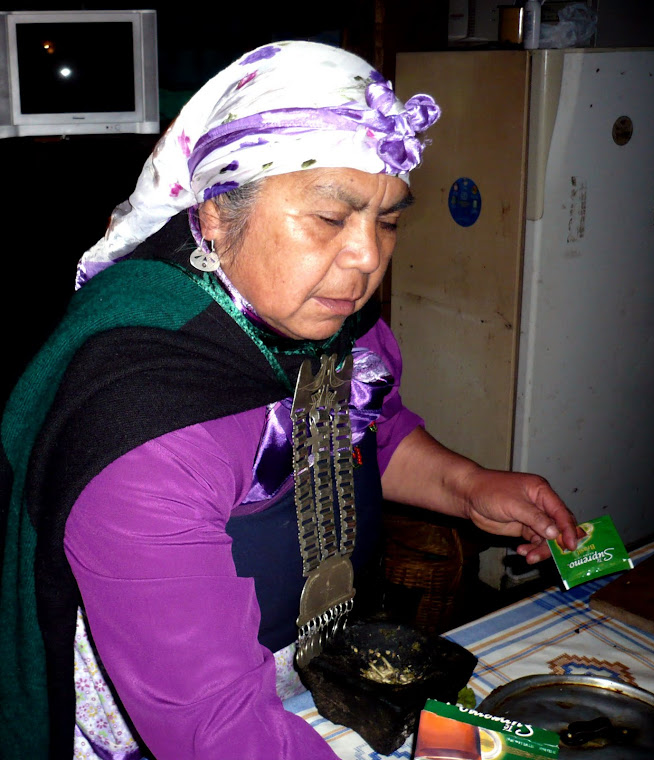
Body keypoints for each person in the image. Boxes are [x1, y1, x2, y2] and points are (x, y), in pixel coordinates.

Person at [0, 40, 577, 760]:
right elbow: (214, 733)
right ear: (213, 214)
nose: (368, 256)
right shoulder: (146, 421)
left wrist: (469, 487)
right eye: (331, 218)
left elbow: (365, 430)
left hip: (303, 666)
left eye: (388, 219)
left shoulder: (312, 313)